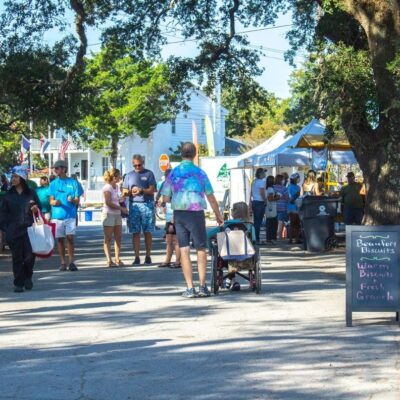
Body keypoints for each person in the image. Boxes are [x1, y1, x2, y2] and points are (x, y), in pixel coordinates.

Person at [161, 142, 224, 298]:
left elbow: (165, 197)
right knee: (201, 249)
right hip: (196, 214)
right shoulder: (200, 173)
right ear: (195, 154)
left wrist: (178, 197)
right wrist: (218, 214)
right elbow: (210, 195)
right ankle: (202, 286)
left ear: (181, 154)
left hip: (180, 214)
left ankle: (190, 288)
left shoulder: (173, 173)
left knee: (184, 249)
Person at [0, 166, 40, 292]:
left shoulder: (31, 193)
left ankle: (28, 277)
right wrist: (7, 228)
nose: (13, 179)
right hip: (14, 230)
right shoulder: (8, 195)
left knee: (29, 256)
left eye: (16, 176)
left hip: (29, 229)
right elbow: (2, 213)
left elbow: (39, 209)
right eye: (12, 177)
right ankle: (18, 283)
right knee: (17, 257)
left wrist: (35, 209)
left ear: (22, 178)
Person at [207, 202, 256, 291]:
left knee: (223, 254)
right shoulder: (249, 226)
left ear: (234, 212)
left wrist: (210, 250)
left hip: (226, 257)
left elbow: (208, 235)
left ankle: (233, 280)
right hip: (246, 257)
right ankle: (232, 280)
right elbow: (254, 241)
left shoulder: (226, 224)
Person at [122, 154, 157, 266]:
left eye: (139, 165)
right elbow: (124, 191)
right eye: (135, 165)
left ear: (143, 163)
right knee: (135, 232)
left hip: (147, 204)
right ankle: (136, 257)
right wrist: (130, 192)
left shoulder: (149, 173)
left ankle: (148, 255)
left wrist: (142, 190)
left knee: (148, 232)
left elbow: (153, 189)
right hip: (134, 205)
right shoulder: (129, 175)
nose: (137, 167)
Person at [49, 159, 81, 271]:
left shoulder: (73, 183)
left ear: (63, 169)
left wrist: (72, 200)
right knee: (60, 240)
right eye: (54, 168)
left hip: (70, 215)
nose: (55, 170)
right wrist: (55, 202)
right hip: (57, 216)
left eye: (57, 168)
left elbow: (77, 200)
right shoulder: (53, 184)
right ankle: (63, 262)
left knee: (70, 238)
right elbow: (51, 201)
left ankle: (71, 261)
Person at [102, 168, 128, 267]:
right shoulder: (107, 188)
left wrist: (123, 197)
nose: (120, 177)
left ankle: (117, 258)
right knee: (108, 237)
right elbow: (108, 202)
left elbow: (118, 198)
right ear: (114, 177)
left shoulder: (116, 187)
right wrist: (121, 208)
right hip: (108, 214)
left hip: (117, 214)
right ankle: (109, 260)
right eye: (119, 175)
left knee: (118, 237)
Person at [158, 169, 181, 269]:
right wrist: (161, 204)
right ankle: (167, 260)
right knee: (169, 239)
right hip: (169, 214)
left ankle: (177, 261)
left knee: (176, 239)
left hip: (176, 213)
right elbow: (163, 198)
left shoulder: (177, 185)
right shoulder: (166, 184)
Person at [250, 168, 266, 244]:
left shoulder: (254, 181)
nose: (265, 174)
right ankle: (257, 239)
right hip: (260, 202)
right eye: (263, 173)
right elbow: (262, 192)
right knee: (258, 222)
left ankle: (255, 238)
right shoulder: (261, 182)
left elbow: (251, 192)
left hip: (255, 202)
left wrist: (250, 203)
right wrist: (265, 201)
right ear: (260, 174)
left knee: (256, 221)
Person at [287, 173, 302, 244]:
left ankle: (294, 238)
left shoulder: (292, 186)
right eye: (298, 178)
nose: (299, 179)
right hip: (293, 207)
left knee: (294, 224)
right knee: (294, 224)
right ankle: (293, 238)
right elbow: (292, 198)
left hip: (293, 207)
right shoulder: (294, 187)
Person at [273, 174, 289, 240]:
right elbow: (287, 197)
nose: (284, 181)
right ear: (281, 180)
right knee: (281, 221)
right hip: (282, 207)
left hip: (274, 207)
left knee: (275, 222)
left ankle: (274, 236)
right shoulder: (284, 188)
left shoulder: (272, 187)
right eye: (283, 179)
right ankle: (279, 236)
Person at [265, 175, 279, 244]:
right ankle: (271, 238)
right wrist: (278, 197)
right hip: (271, 208)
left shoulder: (267, 188)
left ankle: (269, 238)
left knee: (269, 223)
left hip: (268, 207)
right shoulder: (270, 189)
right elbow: (270, 199)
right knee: (272, 223)